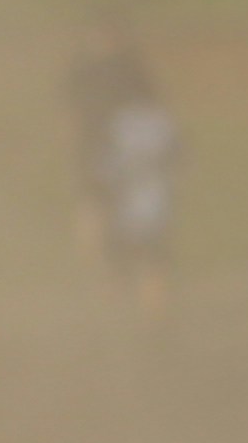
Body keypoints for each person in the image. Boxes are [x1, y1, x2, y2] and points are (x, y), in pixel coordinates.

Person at [65, 39, 180, 309]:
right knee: (154, 261)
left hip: (125, 206)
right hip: (157, 204)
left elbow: (108, 169)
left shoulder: (119, 127)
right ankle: (155, 316)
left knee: (120, 261)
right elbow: (179, 159)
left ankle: (114, 312)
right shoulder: (162, 123)